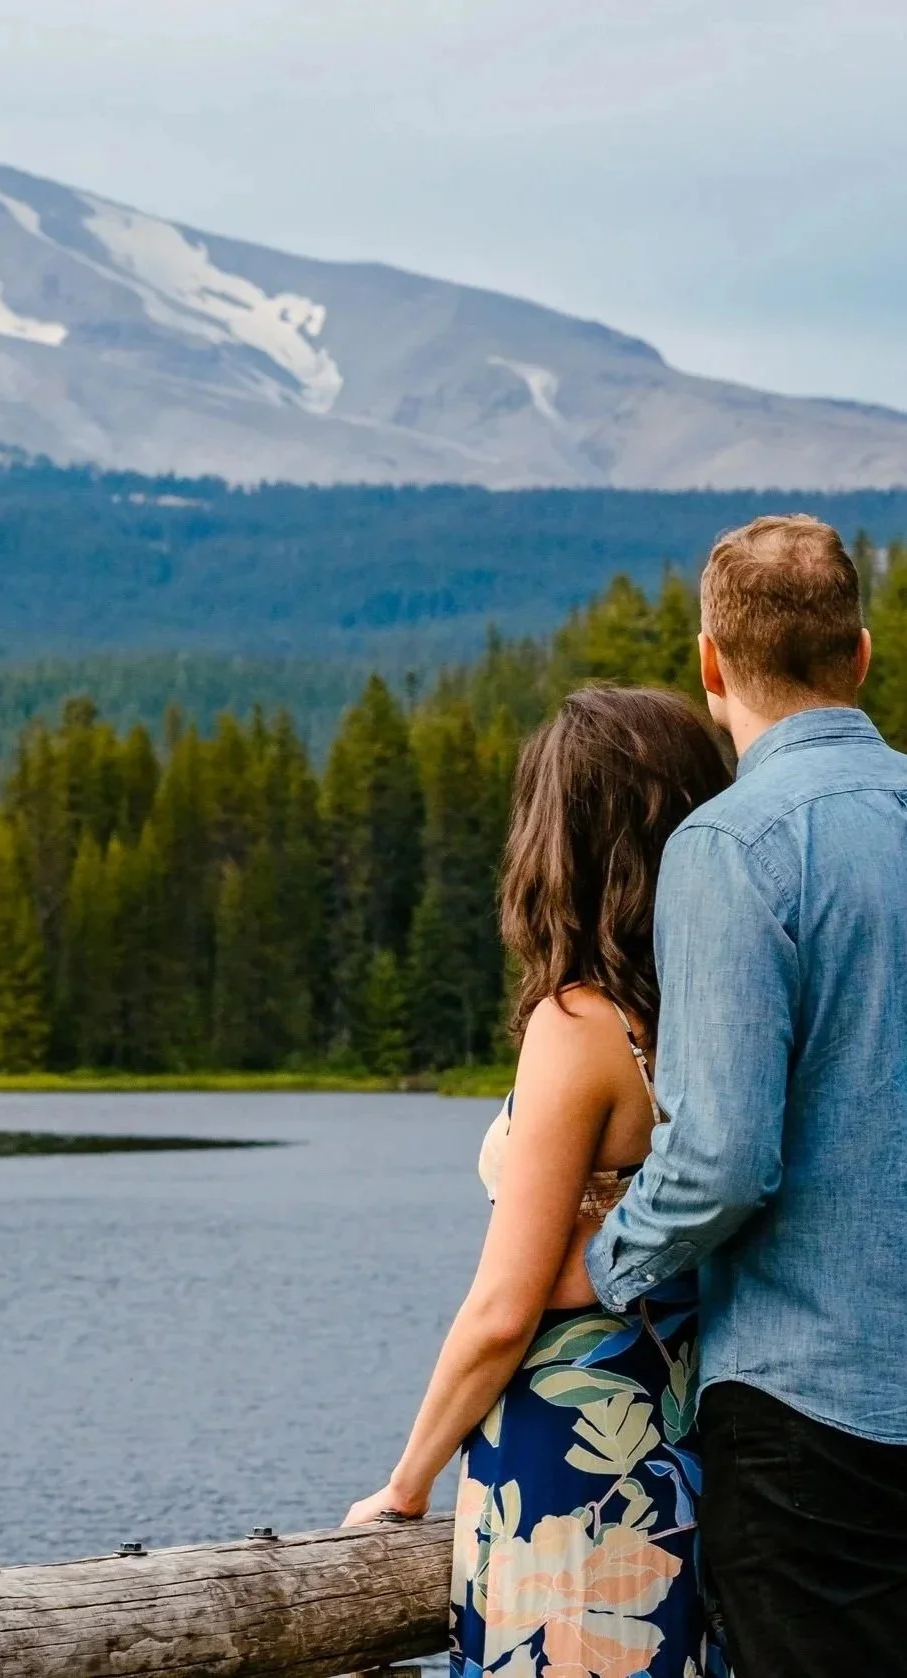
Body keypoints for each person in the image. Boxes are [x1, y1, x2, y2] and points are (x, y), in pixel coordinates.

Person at [344, 685, 731, 1678]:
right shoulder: (714, 1017)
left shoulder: (577, 1026)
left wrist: (404, 1483)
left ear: (563, 842)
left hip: (563, 1467)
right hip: (672, 1457)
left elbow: (505, 1307)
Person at [585, 515, 907, 1676]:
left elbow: (721, 1159)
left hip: (809, 1419)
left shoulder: (732, 846)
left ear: (710, 663)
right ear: (858, 654)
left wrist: (602, 1262)